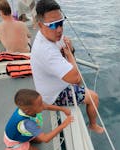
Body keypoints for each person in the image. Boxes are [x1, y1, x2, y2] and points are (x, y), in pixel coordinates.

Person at [30, 0, 104, 134]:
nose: (59, 29)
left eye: (61, 23)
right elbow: (75, 78)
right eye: (53, 25)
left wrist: (71, 51)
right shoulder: (46, 51)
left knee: (80, 84)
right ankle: (92, 125)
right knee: (94, 97)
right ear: (40, 25)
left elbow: (67, 50)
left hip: (54, 84)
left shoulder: (49, 35)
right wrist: (70, 55)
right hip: (53, 96)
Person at [4, 89, 73, 150]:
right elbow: (46, 139)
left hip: (21, 134)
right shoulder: (28, 123)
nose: (43, 105)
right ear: (29, 111)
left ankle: (28, 140)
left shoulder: (26, 109)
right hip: (15, 142)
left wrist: (63, 109)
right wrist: (64, 124)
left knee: (39, 140)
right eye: (40, 104)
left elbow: (47, 106)